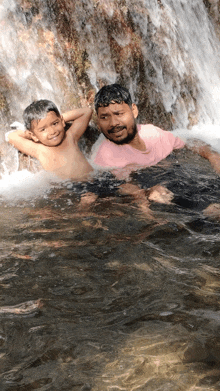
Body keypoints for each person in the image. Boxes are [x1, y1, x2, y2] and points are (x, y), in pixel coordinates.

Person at [91, 84, 220, 175]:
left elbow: (188, 141)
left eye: (119, 114)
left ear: (134, 110)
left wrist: (212, 156)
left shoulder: (151, 133)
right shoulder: (105, 157)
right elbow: (125, 191)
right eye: (104, 117)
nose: (113, 123)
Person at [6, 99, 93, 180]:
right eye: (43, 129)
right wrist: (34, 134)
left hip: (92, 182)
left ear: (62, 122)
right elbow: (11, 136)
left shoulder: (70, 137)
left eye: (55, 124)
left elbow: (86, 111)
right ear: (33, 135)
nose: (52, 131)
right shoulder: (39, 150)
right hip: (69, 190)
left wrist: (58, 118)